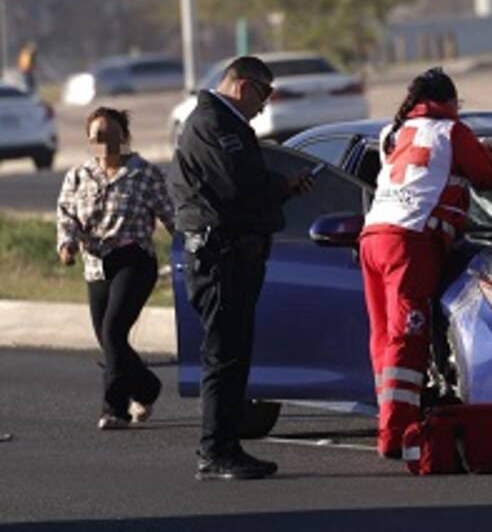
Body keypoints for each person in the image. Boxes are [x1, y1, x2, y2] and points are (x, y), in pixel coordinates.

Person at [168, 56, 313, 480]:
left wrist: (282, 190)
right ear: (244, 86)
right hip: (221, 256)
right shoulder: (213, 124)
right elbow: (236, 185)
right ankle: (215, 450)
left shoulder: (226, 125)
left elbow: (242, 186)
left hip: (234, 254)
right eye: (264, 95)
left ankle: (225, 446)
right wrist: (280, 185)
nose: (264, 106)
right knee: (223, 356)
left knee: (231, 355)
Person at [359, 68, 492, 460]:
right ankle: (396, 434)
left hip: (373, 236)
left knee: (384, 337)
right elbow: (489, 176)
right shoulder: (451, 131)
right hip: (410, 241)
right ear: (449, 102)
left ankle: (389, 418)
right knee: (407, 335)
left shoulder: (392, 132)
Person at [56, 107, 174, 430]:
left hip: (134, 261)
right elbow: (67, 215)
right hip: (96, 265)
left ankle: (114, 410)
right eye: (98, 136)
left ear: (125, 137)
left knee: (113, 331)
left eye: (112, 134)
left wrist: (190, 248)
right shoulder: (79, 175)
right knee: (109, 340)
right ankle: (146, 387)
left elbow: (171, 215)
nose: (105, 141)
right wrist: (67, 244)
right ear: (88, 139)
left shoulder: (145, 174)